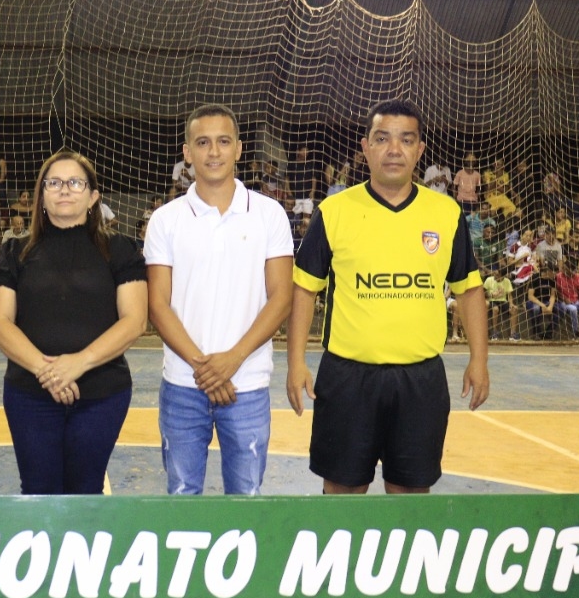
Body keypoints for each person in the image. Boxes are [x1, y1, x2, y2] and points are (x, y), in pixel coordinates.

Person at [286, 99, 489, 494]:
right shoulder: (335, 210)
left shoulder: (446, 213)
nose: (394, 149)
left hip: (420, 380)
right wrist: (296, 362)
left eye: (405, 140)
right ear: (365, 147)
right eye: (382, 139)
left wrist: (479, 360)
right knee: (342, 495)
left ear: (419, 150)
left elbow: (469, 289)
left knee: (410, 498)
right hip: (347, 377)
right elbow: (304, 288)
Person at [144, 103, 294, 495]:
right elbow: (157, 306)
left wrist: (232, 360)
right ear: (187, 152)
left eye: (223, 142)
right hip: (182, 382)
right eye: (203, 142)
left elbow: (281, 298)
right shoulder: (166, 219)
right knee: (181, 497)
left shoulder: (269, 214)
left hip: (247, 383)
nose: (214, 152)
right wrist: (206, 368)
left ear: (239, 149)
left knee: (245, 501)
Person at [0, 150, 148, 494]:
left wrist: (78, 363)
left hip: (102, 393)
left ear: (93, 197)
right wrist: (47, 372)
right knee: (37, 489)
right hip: (29, 392)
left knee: (85, 490)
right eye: (54, 183)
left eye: (75, 182)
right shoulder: (15, 251)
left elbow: (135, 320)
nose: (64, 189)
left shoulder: (120, 249)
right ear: (41, 196)